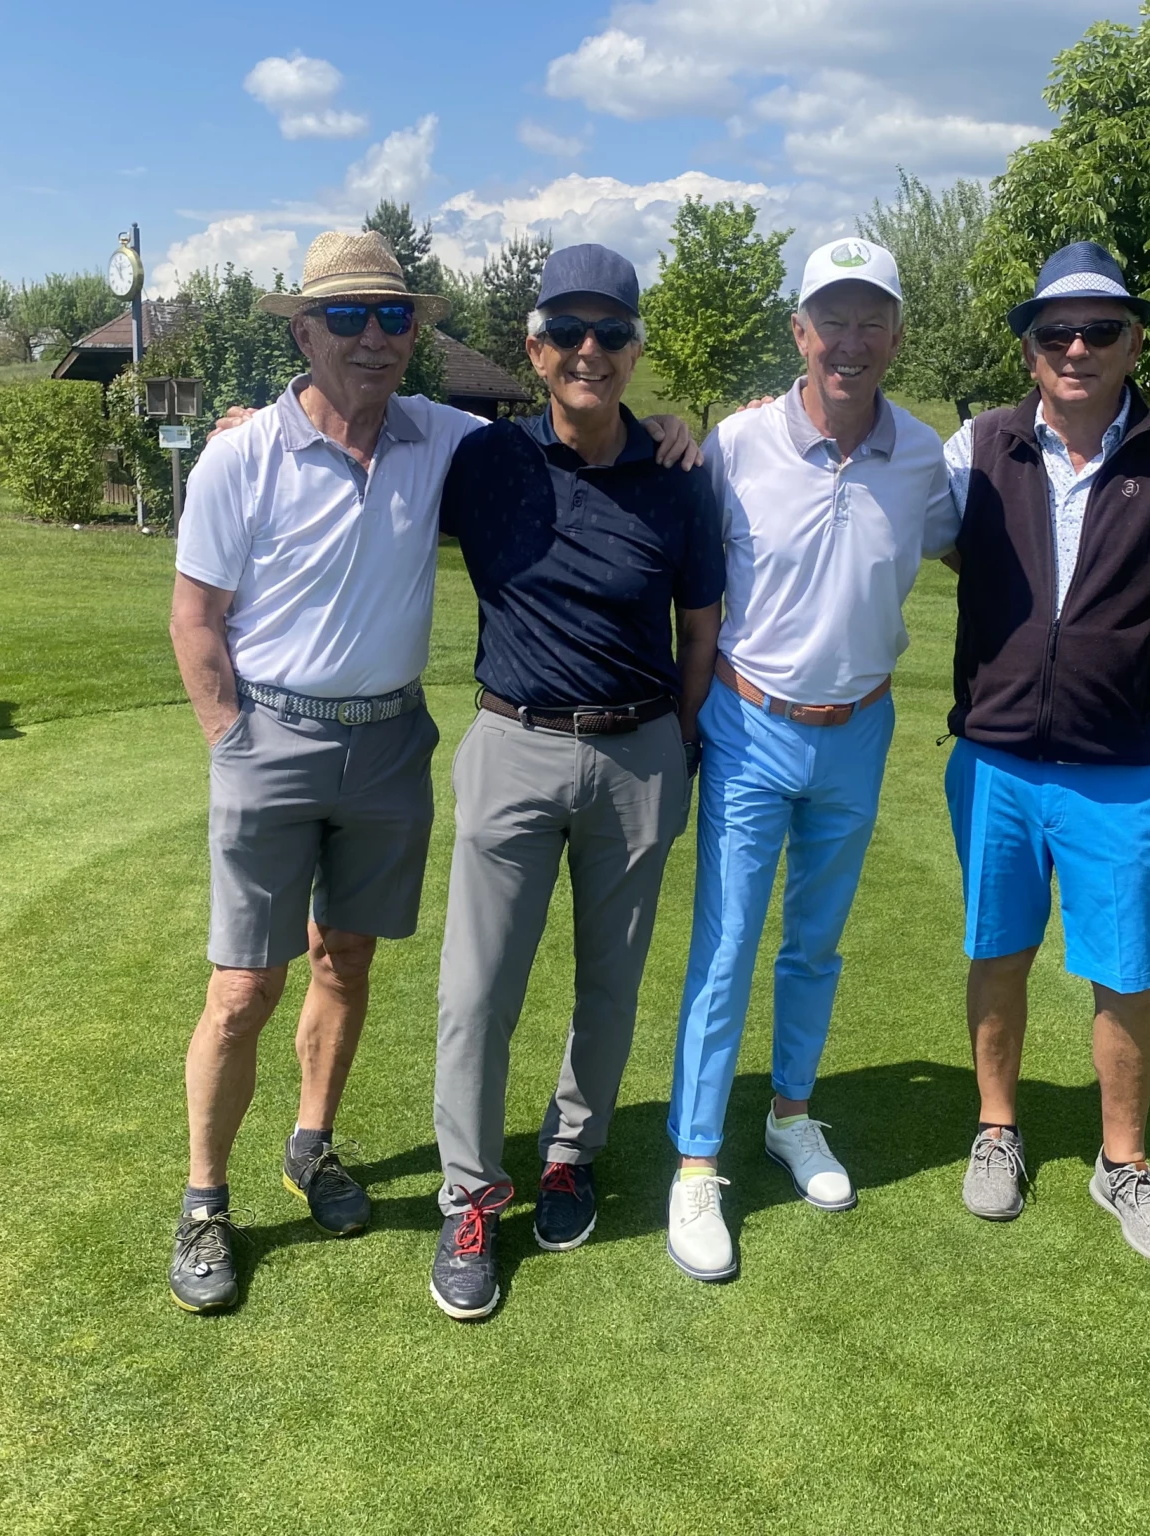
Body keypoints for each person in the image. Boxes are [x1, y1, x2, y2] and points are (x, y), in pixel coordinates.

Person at [165, 231, 694, 1314]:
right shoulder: (246, 453)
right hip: (274, 739)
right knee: (243, 988)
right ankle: (205, 1202)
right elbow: (194, 618)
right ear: (303, 331)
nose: (373, 337)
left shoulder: (447, 439)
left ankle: (312, 1146)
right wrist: (233, 744)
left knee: (344, 960)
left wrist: (677, 429)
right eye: (346, 316)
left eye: (393, 316)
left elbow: (587, 433)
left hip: (391, 741)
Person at [425, 245, 723, 1321]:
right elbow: (360, 435)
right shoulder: (482, 458)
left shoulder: (679, 474)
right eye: (566, 332)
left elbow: (700, 631)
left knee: (609, 983)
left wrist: (674, 744)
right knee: (476, 992)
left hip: (639, 752)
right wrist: (252, 422)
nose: (587, 351)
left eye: (610, 333)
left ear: (635, 349)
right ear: (534, 347)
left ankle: (569, 1155)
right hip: (512, 742)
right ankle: (469, 1196)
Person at [663, 238, 959, 1283]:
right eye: (831, 319)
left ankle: (791, 1114)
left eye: (871, 319)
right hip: (749, 724)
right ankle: (697, 1162)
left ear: (896, 336)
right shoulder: (736, 444)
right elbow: (669, 536)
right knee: (727, 945)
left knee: (816, 945)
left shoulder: (923, 458)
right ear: (799, 333)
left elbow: (992, 539)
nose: (850, 339)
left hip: (860, 729)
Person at [941, 241, 1150, 1264]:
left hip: (1121, 767)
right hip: (994, 758)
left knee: (1125, 971)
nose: (1076, 347)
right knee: (997, 950)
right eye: (1055, 331)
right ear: (1029, 348)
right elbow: (900, 514)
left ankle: (1124, 1163)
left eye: (1099, 329)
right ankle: (996, 1130)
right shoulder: (977, 444)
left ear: (1133, 343)